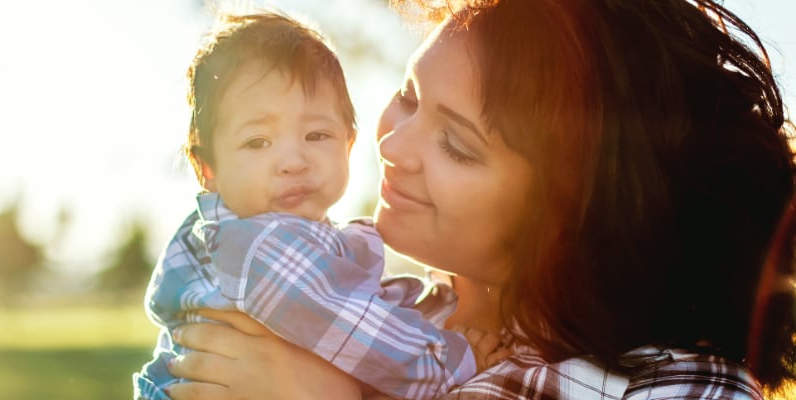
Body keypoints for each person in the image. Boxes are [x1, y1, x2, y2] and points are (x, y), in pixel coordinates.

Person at [161, 0, 796, 399]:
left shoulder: (670, 382)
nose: (393, 144)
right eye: (409, 96)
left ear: (567, 216)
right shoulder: (395, 314)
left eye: (457, 146)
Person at [132, 9, 507, 400]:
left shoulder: (275, 235)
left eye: (316, 134)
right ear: (207, 168)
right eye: (257, 142)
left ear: (348, 143)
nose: (293, 161)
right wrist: (451, 360)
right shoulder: (259, 245)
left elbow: (348, 300)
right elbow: (354, 329)